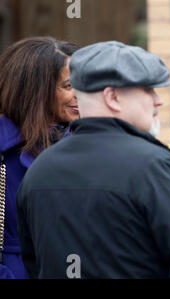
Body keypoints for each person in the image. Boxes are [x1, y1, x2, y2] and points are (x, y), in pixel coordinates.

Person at [15, 41, 170, 279]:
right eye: (148, 90)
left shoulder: (40, 169)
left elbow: (35, 265)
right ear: (113, 97)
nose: (158, 101)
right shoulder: (154, 166)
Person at [0, 37, 79, 279]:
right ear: (34, 90)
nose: (80, 94)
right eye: (68, 86)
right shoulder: (6, 151)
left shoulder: (91, 146)